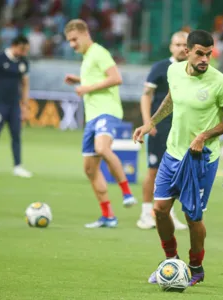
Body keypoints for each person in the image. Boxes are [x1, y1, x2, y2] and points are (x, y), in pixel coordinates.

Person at [133, 30, 223, 286]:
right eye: (200, 53)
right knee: (159, 210)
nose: (205, 59)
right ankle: (171, 261)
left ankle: (196, 267)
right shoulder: (174, 71)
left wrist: (204, 136)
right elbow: (171, 99)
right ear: (187, 52)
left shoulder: (220, 82)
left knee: (193, 218)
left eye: (209, 54)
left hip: (201, 159)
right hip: (173, 154)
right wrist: (150, 123)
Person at [64, 19, 137, 228]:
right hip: (92, 116)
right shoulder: (87, 57)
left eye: (74, 39)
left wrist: (86, 88)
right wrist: (79, 80)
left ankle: (126, 191)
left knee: (102, 148)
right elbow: (97, 79)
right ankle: (108, 216)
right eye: (69, 41)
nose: (72, 45)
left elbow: (115, 78)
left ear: (85, 33)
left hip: (107, 111)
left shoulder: (99, 52)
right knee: (89, 170)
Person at [137, 31, 188, 230]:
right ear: (171, 47)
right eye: (177, 44)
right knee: (154, 171)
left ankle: (169, 213)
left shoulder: (193, 70)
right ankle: (145, 214)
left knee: (176, 172)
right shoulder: (160, 68)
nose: (181, 48)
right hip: (160, 128)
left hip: (182, 130)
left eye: (185, 44)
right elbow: (146, 95)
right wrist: (148, 122)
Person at [0, 35, 32, 178]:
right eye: (22, 49)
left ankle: (18, 166)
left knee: (16, 135)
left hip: (15, 105)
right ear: (14, 45)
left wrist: (25, 106)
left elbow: (25, 84)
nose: (24, 53)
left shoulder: (23, 62)